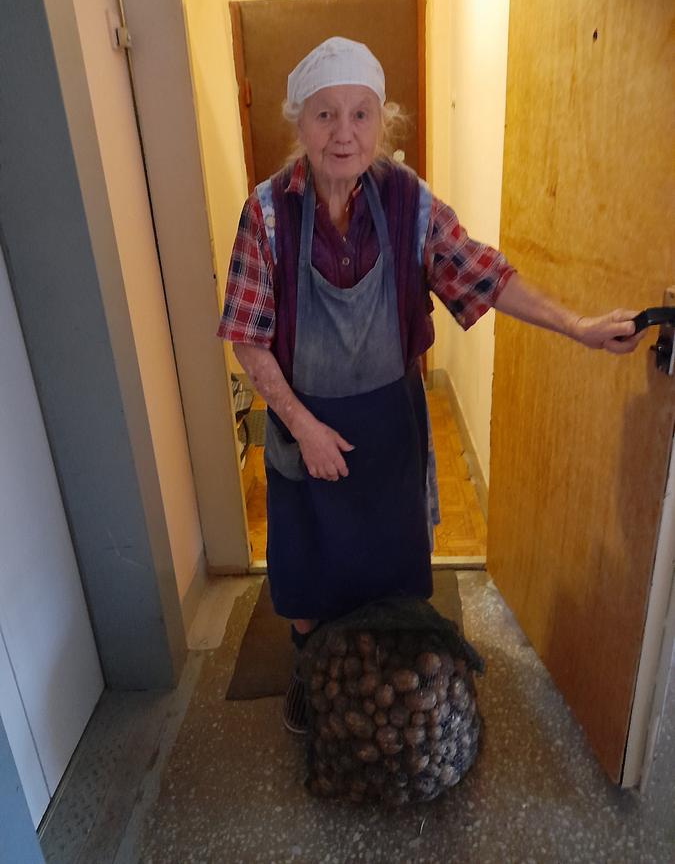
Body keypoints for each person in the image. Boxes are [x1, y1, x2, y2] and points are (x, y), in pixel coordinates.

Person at [217, 37, 642, 732]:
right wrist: (303, 427)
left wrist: (577, 325)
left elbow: (483, 273)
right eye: (325, 115)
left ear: (382, 122)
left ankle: (382, 678)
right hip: (304, 424)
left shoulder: (408, 201)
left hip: (391, 425)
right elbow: (246, 336)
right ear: (299, 124)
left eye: (360, 114)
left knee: (391, 562)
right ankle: (310, 672)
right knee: (306, 571)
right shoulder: (266, 214)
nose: (344, 133)